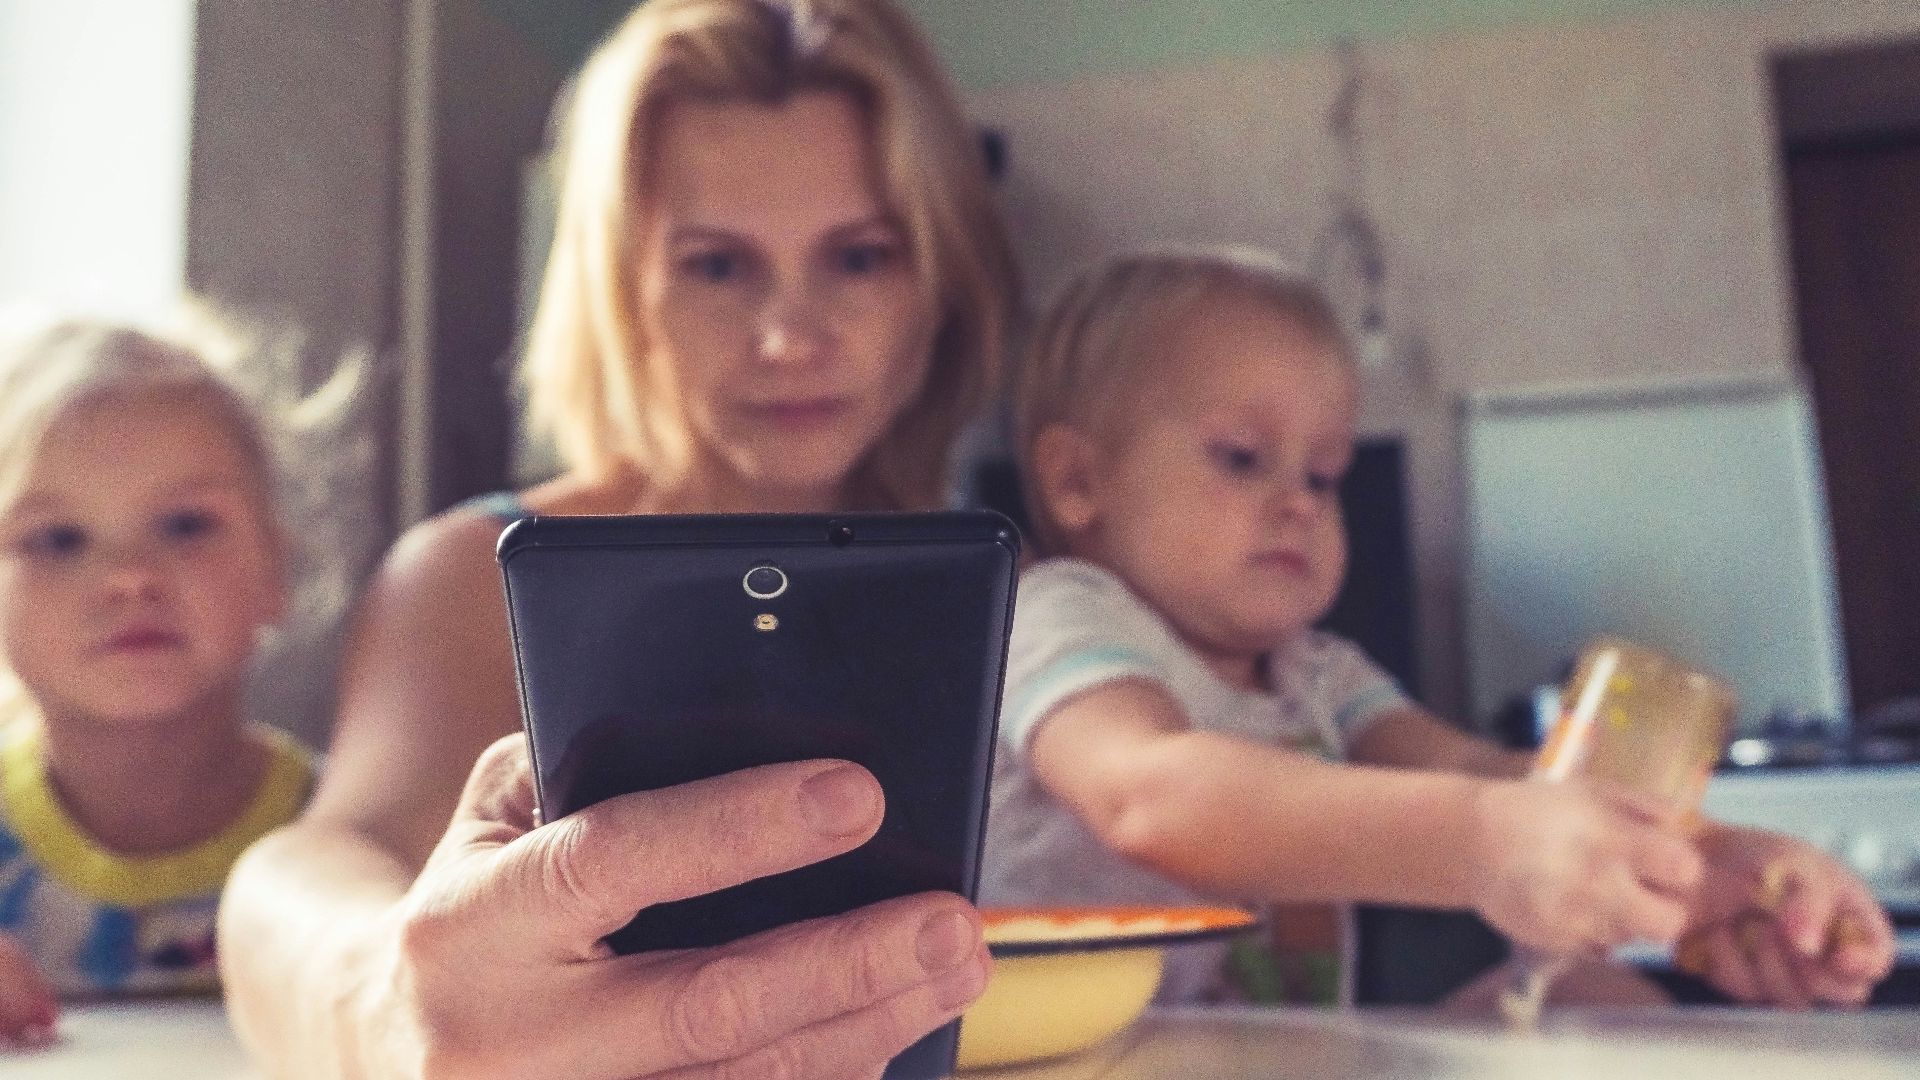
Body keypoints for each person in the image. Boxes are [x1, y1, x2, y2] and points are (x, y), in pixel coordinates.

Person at [217, 1, 1020, 1075]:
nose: (790, 336)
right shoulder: (473, 572)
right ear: (621, 291)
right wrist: (377, 1002)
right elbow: (309, 865)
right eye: (717, 265)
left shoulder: (1019, 593)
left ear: (938, 284)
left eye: (860, 256)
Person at [979, 247, 1895, 1009]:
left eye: (1325, 474)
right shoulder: (1055, 611)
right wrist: (1485, 842)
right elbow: (1151, 796)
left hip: (1278, 1059)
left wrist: (1698, 867)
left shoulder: (1318, 673)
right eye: (1242, 458)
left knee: (1598, 998)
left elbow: (1481, 776)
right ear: (1078, 483)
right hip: (1085, 1062)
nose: (1298, 503)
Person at [0, 316, 321, 1044]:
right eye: (57, 539)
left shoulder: (349, 833)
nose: (130, 579)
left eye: (183, 525)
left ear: (276, 566)